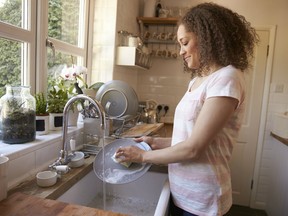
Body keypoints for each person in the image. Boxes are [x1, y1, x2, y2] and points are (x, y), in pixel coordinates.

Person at [115, 3, 258, 216]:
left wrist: (142, 156)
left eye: (184, 43)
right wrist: (156, 143)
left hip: (203, 201)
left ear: (206, 38)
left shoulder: (227, 78)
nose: (181, 51)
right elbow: (189, 138)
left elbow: (193, 149)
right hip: (180, 193)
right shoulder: (197, 80)